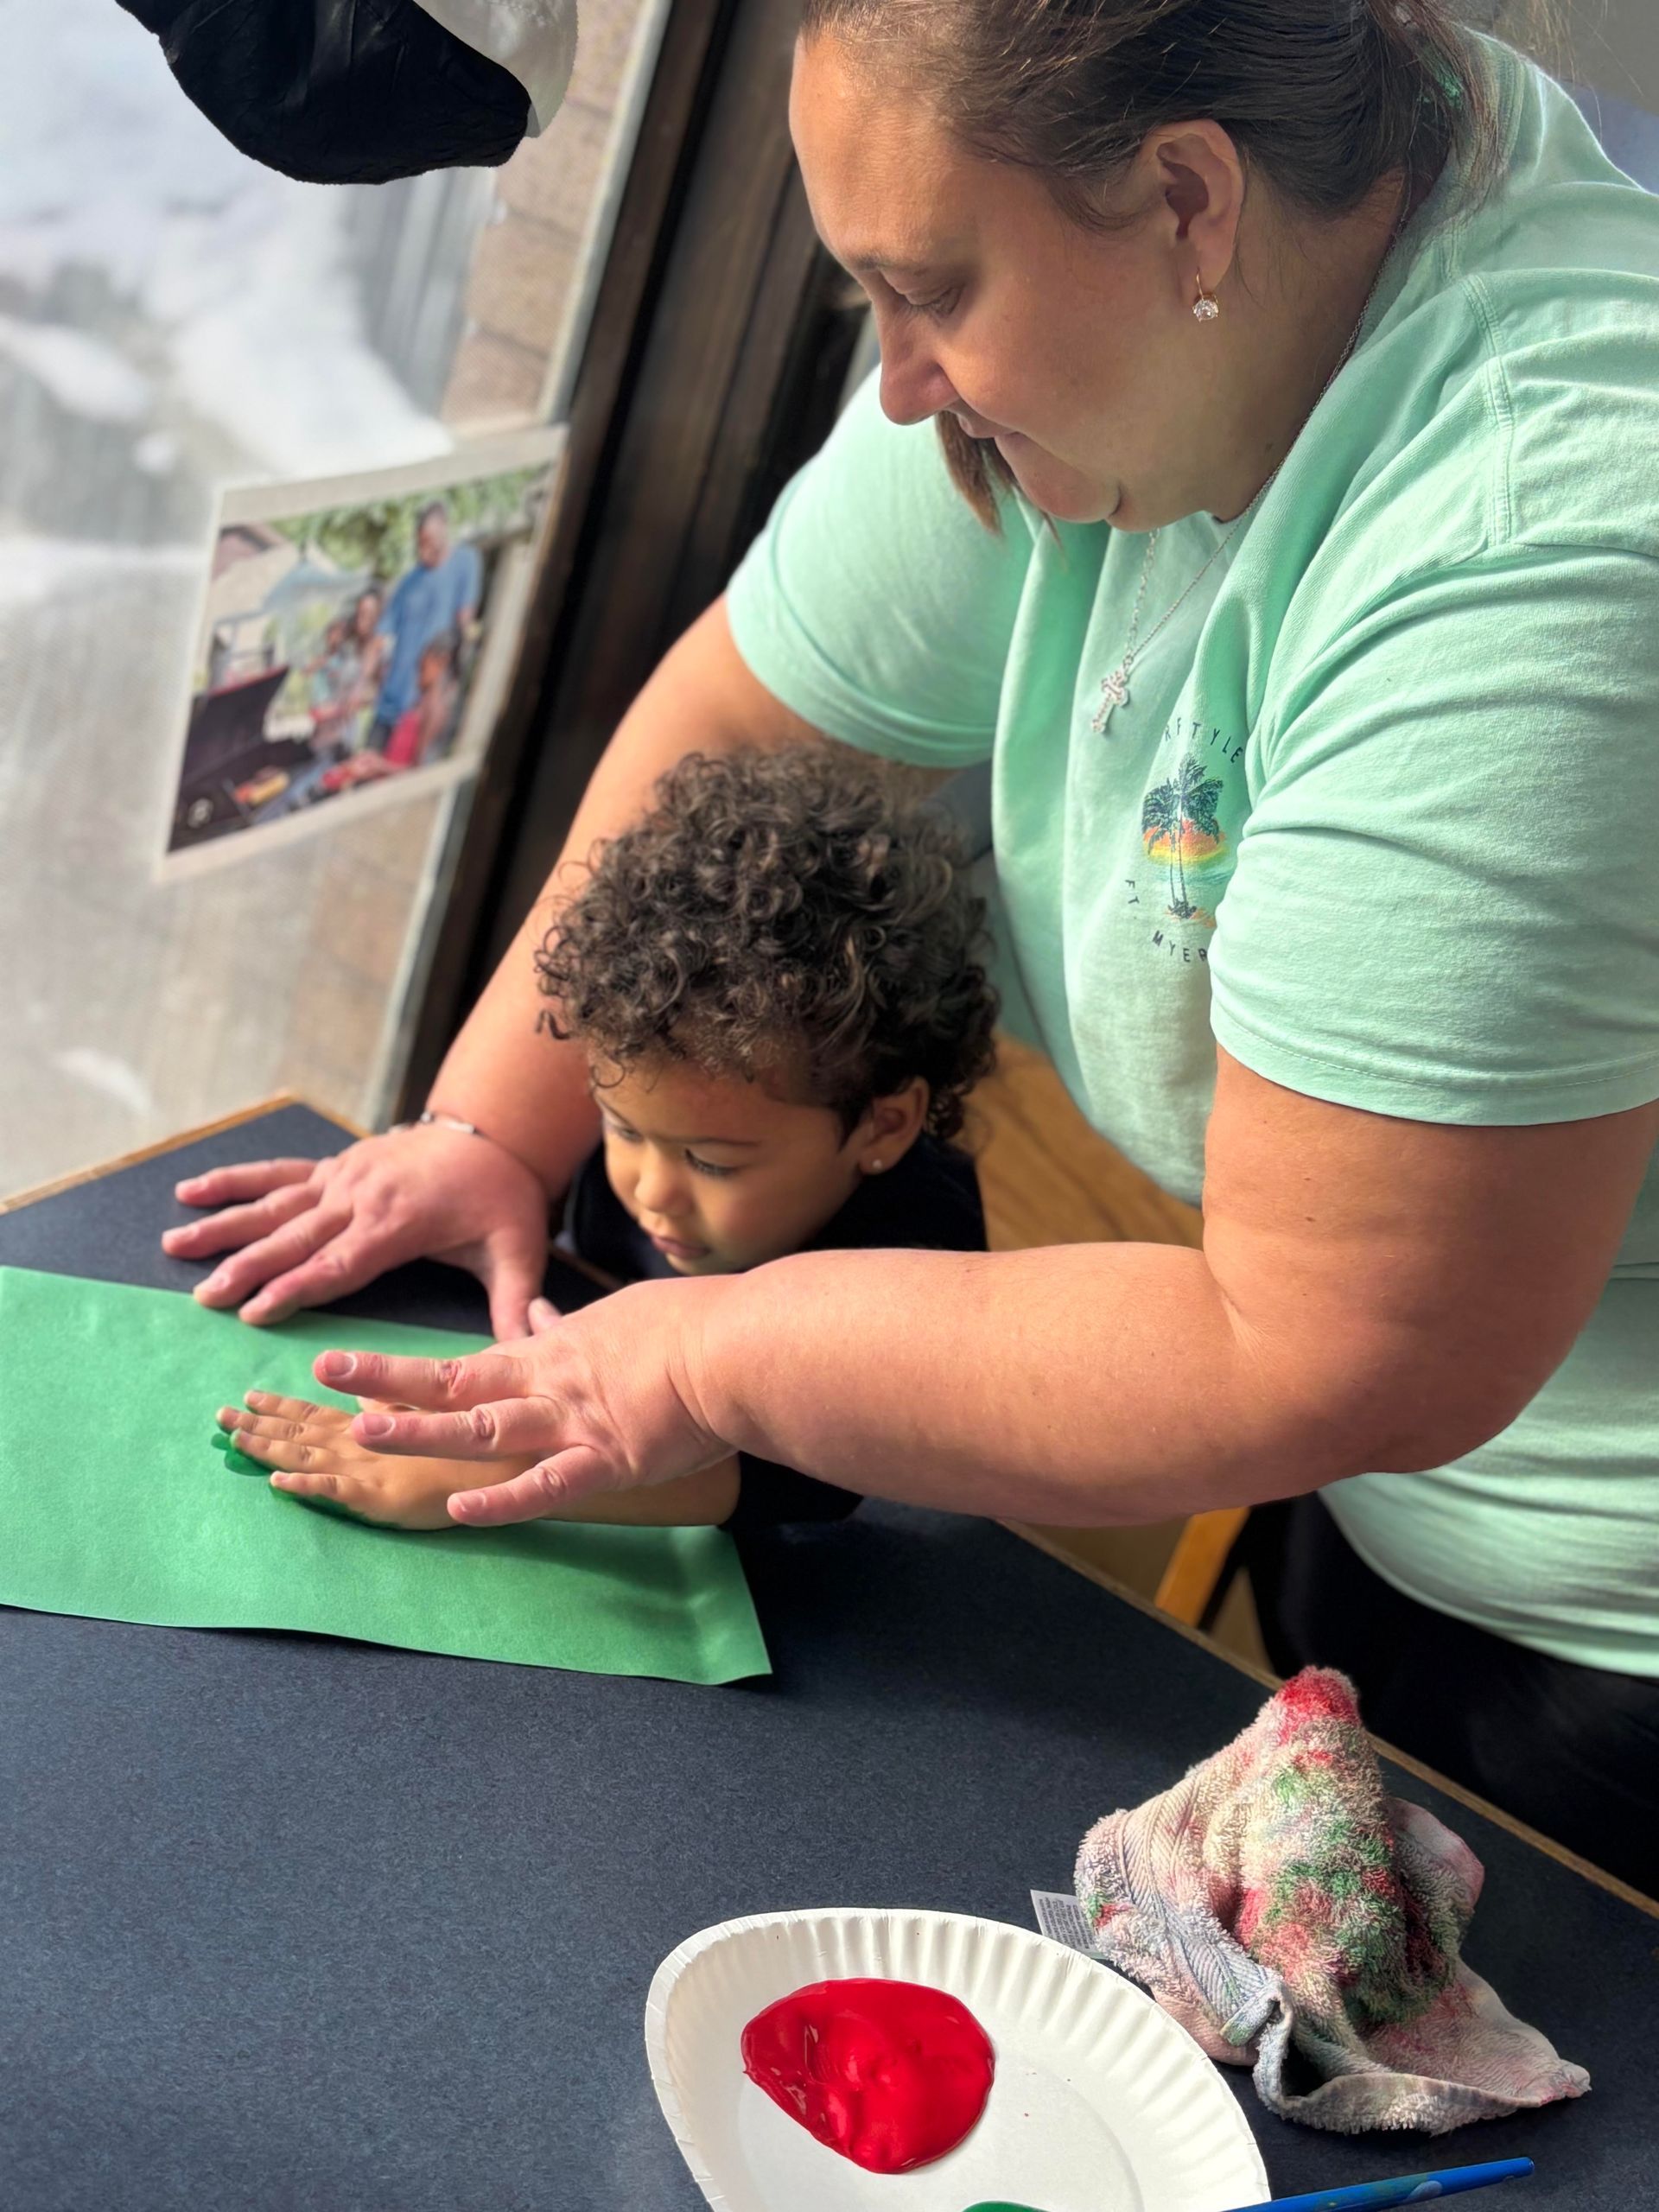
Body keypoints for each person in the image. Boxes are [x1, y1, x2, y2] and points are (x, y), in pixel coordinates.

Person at [162, 3, 1659, 1891]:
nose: (894, 382)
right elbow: (748, 711)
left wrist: (687, 1367)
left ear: (1190, 202)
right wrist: (489, 1124)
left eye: (924, 289)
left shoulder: (1542, 542)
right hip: (1378, 1495)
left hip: (1613, 1638)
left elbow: (1331, 1343)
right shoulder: (1164, 292)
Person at [213, 748, 994, 1533]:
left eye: (710, 1161)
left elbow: (812, 1473)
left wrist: (504, 1465)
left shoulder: (923, 1245)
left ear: (881, 1124)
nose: (650, 1189)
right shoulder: (661, 1098)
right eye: (620, 1128)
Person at [366, 502, 480, 752]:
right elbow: (379, 638)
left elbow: (465, 623)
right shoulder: (409, 582)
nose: (423, 548)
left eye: (429, 540)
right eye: (420, 541)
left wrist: (454, 681)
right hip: (388, 705)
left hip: (421, 710)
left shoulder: (466, 562)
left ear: (444, 529)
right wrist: (363, 681)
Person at [380, 626, 463, 770]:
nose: (418, 674)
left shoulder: (435, 709)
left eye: (422, 667)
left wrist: (377, 766)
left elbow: (417, 771)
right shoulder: (421, 701)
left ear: (442, 662)